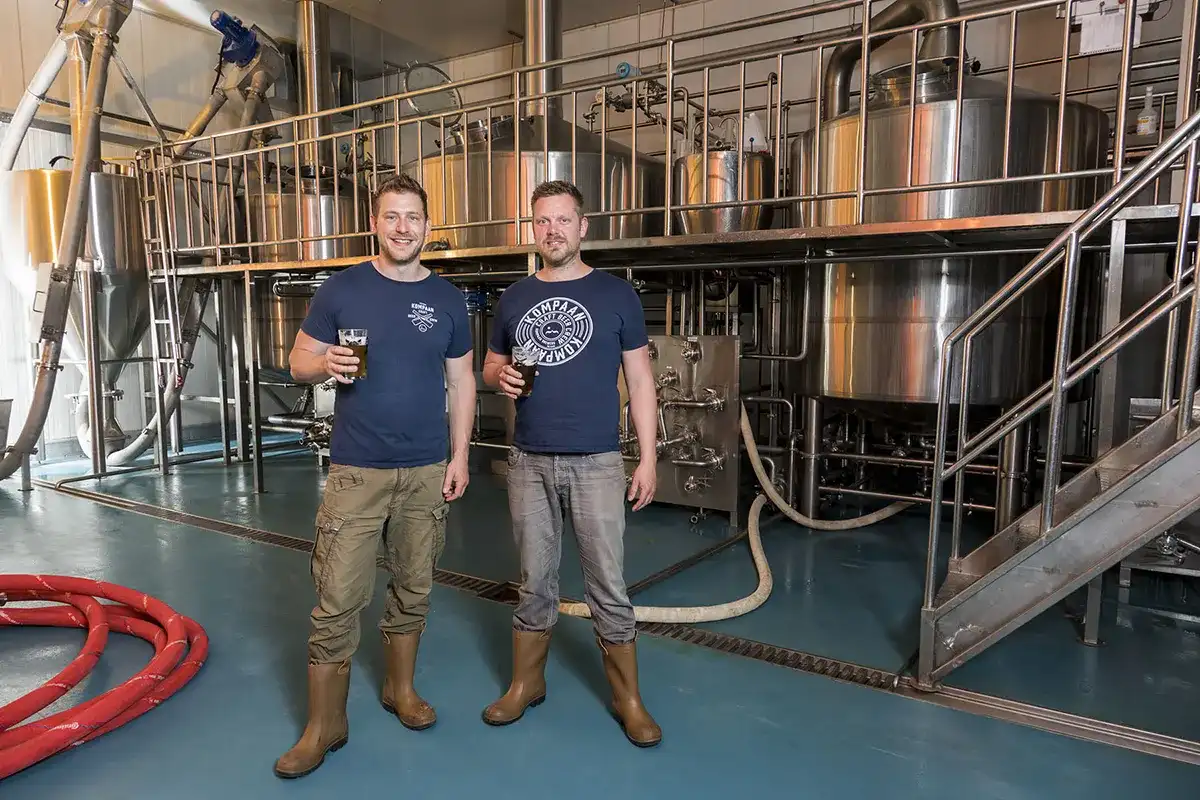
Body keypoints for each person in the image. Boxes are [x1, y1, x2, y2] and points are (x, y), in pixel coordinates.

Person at [274, 173, 476, 778]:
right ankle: (323, 724)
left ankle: (400, 690)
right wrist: (323, 363)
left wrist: (461, 455)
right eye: (392, 216)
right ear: (375, 223)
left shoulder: (448, 298)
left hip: (425, 469)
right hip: (357, 470)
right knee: (337, 597)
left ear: (428, 227)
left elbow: (462, 381)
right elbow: (298, 360)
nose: (403, 227)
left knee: (414, 586)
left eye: (413, 217)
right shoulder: (343, 290)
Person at [481, 179, 662, 747]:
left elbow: (640, 379)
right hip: (529, 460)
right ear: (533, 229)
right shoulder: (514, 297)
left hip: (598, 461)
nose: (552, 230)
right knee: (534, 580)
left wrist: (648, 457)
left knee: (607, 582)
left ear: (583, 227)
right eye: (542, 221)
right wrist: (498, 376)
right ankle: (525, 684)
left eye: (563, 220)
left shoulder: (616, 295)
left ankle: (628, 699)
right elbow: (490, 366)